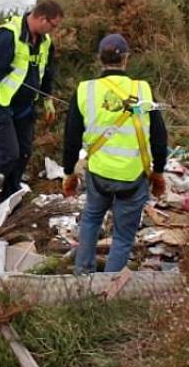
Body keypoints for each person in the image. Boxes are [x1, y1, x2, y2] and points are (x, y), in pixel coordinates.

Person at [61, 33, 168, 274]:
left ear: (99, 59)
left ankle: (82, 274)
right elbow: (160, 137)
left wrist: (69, 172)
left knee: (90, 219)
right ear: (126, 59)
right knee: (122, 235)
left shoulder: (84, 90)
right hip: (133, 176)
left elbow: (70, 138)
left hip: (98, 175)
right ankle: (109, 288)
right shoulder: (143, 89)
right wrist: (159, 172)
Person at [0, 0, 64, 200]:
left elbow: (47, 71)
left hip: (24, 106)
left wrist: (47, 98)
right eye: (53, 26)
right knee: (8, 153)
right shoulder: (7, 36)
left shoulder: (45, 42)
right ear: (42, 19)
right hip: (1, 103)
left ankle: (9, 193)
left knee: (24, 152)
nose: (53, 31)